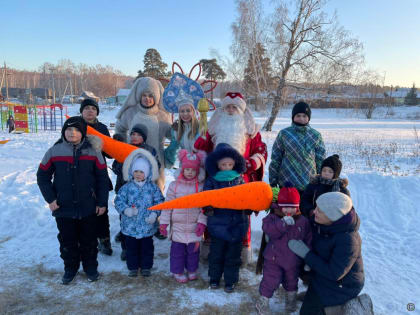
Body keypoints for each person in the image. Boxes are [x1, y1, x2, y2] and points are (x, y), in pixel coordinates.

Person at [194, 92, 267, 264]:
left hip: (242, 181)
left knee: (240, 215)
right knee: (214, 212)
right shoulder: (214, 129)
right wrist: (203, 134)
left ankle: (240, 251)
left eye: (235, 107)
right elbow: (199, 147)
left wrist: (252, 163)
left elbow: (261, 150)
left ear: (241, 109)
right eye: (228, 107)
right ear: (223, 108)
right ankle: (212, 250)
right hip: (217, 181)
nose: (231, 110)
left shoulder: (251, 131)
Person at [36, 116, 109, 285]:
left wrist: (101, 202)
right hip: (63, 207)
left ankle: (90, 267)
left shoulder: (93, 151)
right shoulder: (55, 151)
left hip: (88, 206)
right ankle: (70, 268)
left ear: (82, 133)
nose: (72, 133)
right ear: (64, 131)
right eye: (69, 129)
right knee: (67, 240)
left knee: (89, 240)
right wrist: (51, 199)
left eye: (76, 130)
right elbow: (42, 176)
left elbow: (102, 179)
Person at [288, 192, 364, 315]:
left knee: (307, 313)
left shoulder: (348, 240)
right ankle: (315, 295)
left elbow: (334, 273)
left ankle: (337, 309)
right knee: (297, 267)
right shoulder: (323, 222)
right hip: (323, 273)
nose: (314, 212)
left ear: (333, 216)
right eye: (316, 207)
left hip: (343, 285)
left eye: (320, 210)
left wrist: (306, 254)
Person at [255, 185, 312, 314]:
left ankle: (291, 301)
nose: (289, 210)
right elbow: (267, 228)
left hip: (293, 261)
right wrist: (283, 223)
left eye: (292, 207)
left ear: (297, 206)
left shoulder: (303, 221)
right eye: (286, 206)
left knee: (292, 282)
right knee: (270, 280)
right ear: (280, 206)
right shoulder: (273, 217)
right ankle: (263, 301)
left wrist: (308, 258)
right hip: (273, 259)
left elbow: (309, 239)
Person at [203, 143, 252, 293]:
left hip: (237, 224)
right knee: (216, 254)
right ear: (217, 164)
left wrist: (248, 206)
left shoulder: (239, 179)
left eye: (230, 164)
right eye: (224, 164)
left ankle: (230, 281)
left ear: (235, 163)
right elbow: (206, 198)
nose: (227, 167)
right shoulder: (212, 181)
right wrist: (208, 208)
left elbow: (246, 197)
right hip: (218, 225)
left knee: (233, 256)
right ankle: (214, 278)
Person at [112, 124, 161, 260]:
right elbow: (116, 167)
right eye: (133, 134)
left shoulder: (150, 150)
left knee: (144, 219)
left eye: (138, 135)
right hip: (126, 189)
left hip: (144, 192)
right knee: (126, 219)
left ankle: (143, 248)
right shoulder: (124, 148)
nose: (135, 137)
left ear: (143, 137)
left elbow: (156, 167)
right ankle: (126, 248)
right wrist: (124, 161)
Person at [114, 77, 172, 192]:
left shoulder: (162, 116)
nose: (147, 98)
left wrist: (181, 127)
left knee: (155, 195)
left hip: (156, 163)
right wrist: (124, 146)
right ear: (139, 95)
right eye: (144, 95)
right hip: (134, 162)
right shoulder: (130, 113)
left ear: (156, 97)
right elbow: (120, 129)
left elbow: (173, 135)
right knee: (134, 195)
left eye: (151, 96)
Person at [114, 148, 164, 277]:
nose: (138, 174)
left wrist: (154, 214)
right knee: (131, 248)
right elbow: (119, 201)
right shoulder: (126, 188)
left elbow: (159, 201)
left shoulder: (153, 188)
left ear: (147, 173)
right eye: (135, 171)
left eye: (141, 171)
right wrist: (126, 210)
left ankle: (146, 266)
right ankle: (133, 267)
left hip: (147, 226)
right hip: (130, 226)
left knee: (147, 248)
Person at [159, 149, 207, 283]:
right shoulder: (174, 186)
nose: (190, 172)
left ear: (198, 171)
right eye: (187, 170)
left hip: (194, 226)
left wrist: (202, 222)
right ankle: (177, 271)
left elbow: (204, 208)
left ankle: (192, 270)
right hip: (178, 226)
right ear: (182, 170)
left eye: (193, 170)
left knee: (193, 252)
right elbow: (167, 206)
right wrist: (164, 223)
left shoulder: (201, 187)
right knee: (177, 252)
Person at [80, 98, 114, 256]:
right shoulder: (75, 126)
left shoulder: (102, 128)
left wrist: (113, 144)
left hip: (99, 174)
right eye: (86, 108)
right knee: (85, 209)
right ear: (82, 111)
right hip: (80, 174)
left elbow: (108, 152)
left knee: (102, 209)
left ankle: (105, 240)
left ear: (97, 112)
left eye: (93, 108)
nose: (90, 111)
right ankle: (87, 240)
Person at [269, 101, 326, 194]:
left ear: (309, 118)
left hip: (310, 183)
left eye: (304, 116)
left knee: (307, 208)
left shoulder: (315, 135)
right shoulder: (284, 134)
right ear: (293, 117)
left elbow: (320, 160)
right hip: (287, 182)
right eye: (298, 115)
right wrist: (273, 180)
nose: (301, 118)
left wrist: (321, 181)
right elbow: (276, 159)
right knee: (287, 209)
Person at [164, 96, 200, 168]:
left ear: (193, 111)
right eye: (182, 111)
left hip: (199, 164)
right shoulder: (176, 129)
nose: (185, 114)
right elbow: (173, 147)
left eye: (188, 110)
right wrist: (168, 159)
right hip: (185, 165)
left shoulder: (200, 127)